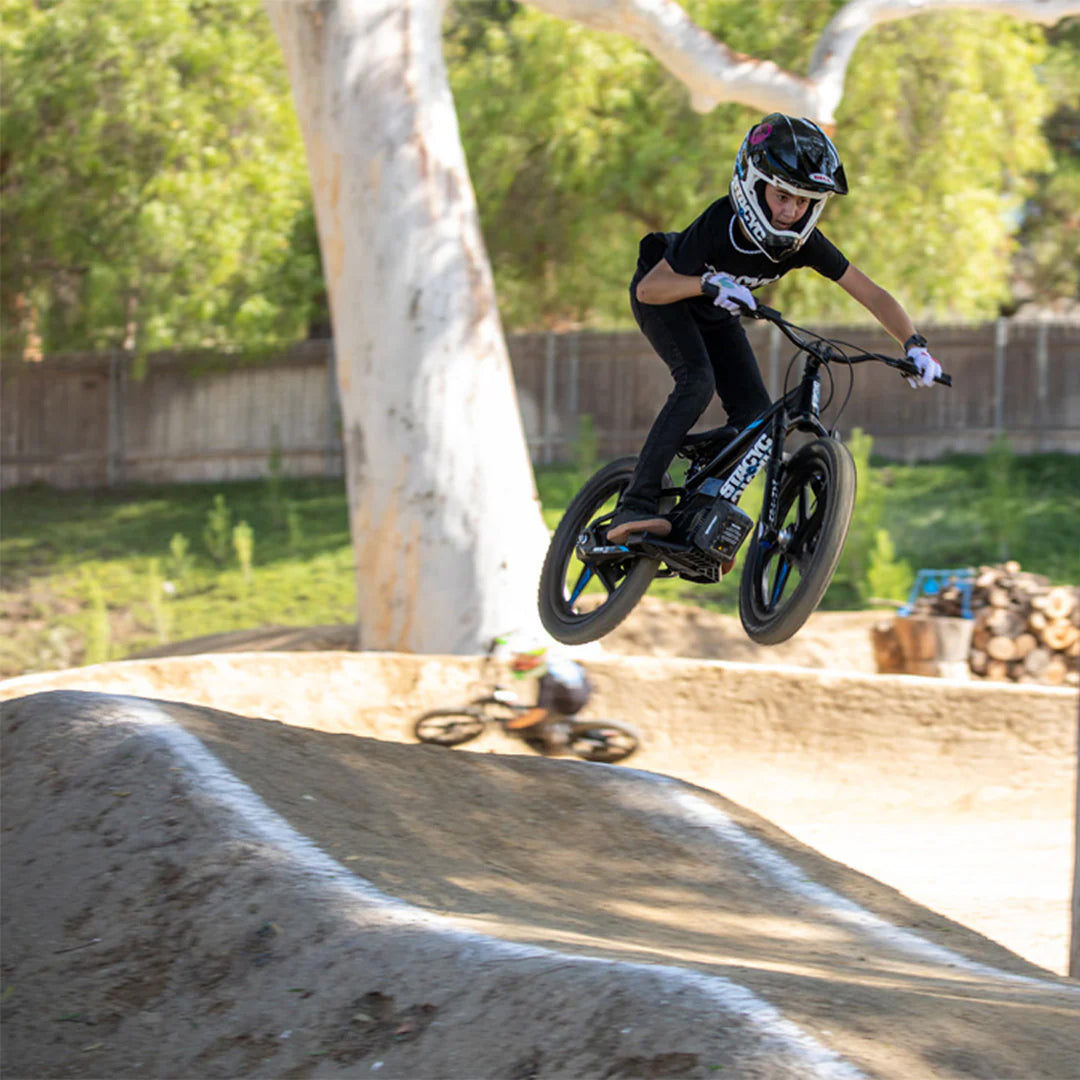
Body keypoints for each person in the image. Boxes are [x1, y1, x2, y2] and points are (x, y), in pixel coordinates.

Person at [606, 113, 943, 544]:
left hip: (715, 312)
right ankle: (633, 505)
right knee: (697, 382)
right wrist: (706, 284)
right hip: (668, 300)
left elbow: (873, 294)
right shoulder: (720, 224)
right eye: (782, 196)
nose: (790, 211)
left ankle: (700, 512)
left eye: (803, 202)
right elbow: (651, 290)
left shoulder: (801, 244)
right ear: (754, 183)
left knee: (755, 419)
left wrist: (915, 345)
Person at [490, 634, 593, 749]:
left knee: (536, 724)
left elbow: (539, 712)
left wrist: (512, 724)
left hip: (567, 705)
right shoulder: (557, 664)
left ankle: (554, 745)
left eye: (521, 658)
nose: (516, 662)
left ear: (533, 659)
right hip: (581, 696)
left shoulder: (548, 678)